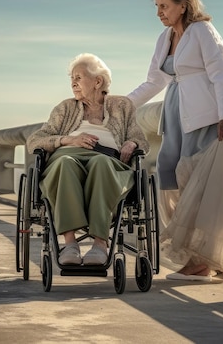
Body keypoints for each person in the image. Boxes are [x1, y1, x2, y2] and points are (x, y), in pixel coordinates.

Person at [127, 0, 223, 279]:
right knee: (168, 174)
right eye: (157, 6)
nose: (159, 12)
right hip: (176, 117)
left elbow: (221, 73)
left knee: (202, 187)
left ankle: (202, 261)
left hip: (206, 118)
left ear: (183, 4)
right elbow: (154, 81)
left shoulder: (203, 31)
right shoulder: (165, 38)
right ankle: (191, 251)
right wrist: (123, 104)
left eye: (164, 6)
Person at [26, 53, 150, 266]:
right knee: (65, 165)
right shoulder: (65, 108)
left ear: (97, 81)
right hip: (67, 158)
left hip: (108, 161)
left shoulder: (122, 106)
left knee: (100, 164)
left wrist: (132, 144)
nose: (73, 83)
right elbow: (34, 141)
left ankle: (100, 244)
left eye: (79, 77)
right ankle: (70, 243)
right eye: (71, 78)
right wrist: (68, 140)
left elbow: (140, 139)